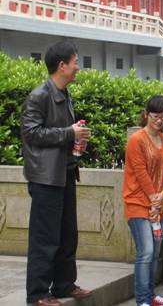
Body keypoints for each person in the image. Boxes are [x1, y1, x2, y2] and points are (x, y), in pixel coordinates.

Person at [21, 41, 93, 306]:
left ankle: (64, 284)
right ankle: (38, 294)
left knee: (67, 233)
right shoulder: (39, 96)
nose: (78, 68)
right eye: (75, 62)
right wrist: (68, 133)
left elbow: (60, 134)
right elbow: (31, 133)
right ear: (62, 65)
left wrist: (77, 140)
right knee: (45, 238)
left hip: (65, 173)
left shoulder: (65, 94)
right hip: (45, 178)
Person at [123, 95, 163, 306]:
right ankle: (142, 299)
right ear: (146, 115)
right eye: (155, 116)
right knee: (146, 252)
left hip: (159, 205)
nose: (159, 120)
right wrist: (155, 200)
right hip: (137, 203)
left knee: (155, 253)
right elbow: (140, 172)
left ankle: (151, 296)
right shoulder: (137, 139)